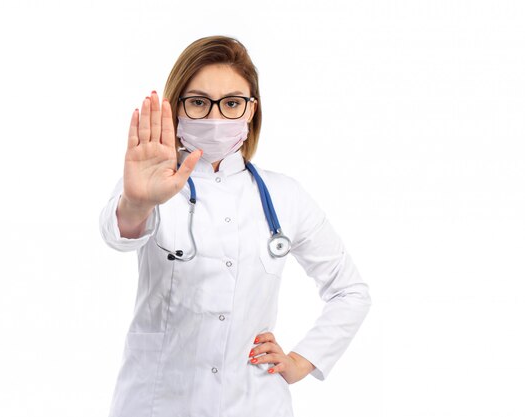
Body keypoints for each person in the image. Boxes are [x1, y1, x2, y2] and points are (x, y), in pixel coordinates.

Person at [99, 35, 371, 417]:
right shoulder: (151, 183)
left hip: (254, 403)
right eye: (198, 102)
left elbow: (350, 291)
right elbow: (121, 234)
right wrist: (138, 202)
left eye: (231, 103)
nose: (215, 117)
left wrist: (301, 360)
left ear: (251, 110)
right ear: (176, 107)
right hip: (157, 402)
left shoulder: (284, 195)